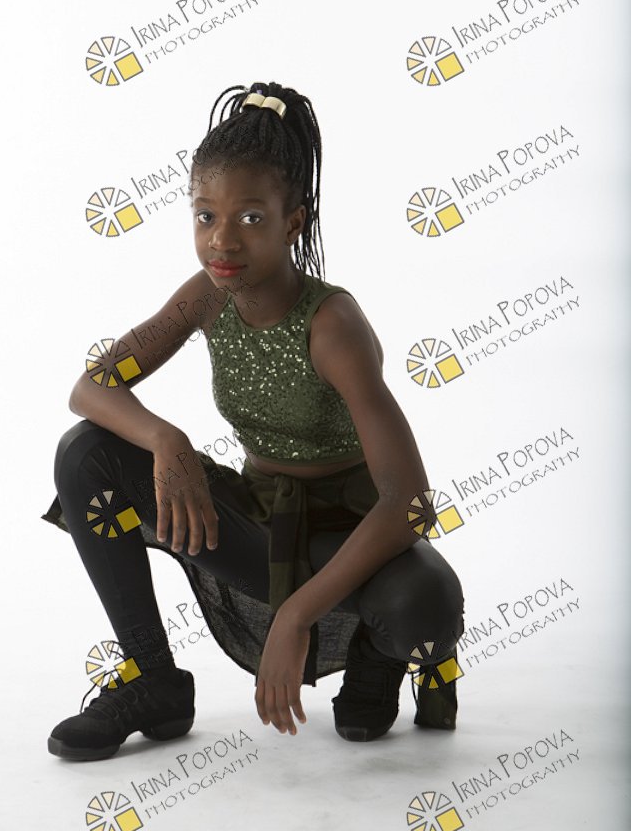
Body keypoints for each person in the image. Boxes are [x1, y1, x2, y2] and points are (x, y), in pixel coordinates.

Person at [41, 81, 465, 761]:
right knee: (86, 453)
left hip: (347, 538)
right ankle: (153, 679)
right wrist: (166, 439)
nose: (222, 239)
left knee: (429, 603)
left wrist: (295, 615)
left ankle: (377, 657)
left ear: (293, 221)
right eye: (205, 215)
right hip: (261, 527)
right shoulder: (207, 298)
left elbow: (411, 504)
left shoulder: (332, 325)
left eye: (250, 217)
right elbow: (92, 386)